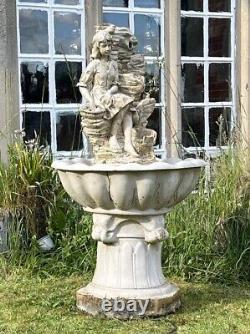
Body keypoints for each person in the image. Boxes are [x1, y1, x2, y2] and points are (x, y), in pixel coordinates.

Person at [77, 28, 138, 156]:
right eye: (104, 45)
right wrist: (91, 101)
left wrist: (110, 92)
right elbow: (82, 85)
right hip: (98, 95)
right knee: (125, 103)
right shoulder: (94, 64)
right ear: (97, 47)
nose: (108, 48)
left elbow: (115, 85)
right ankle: (113, 136)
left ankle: (127, 143)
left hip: (109, 93)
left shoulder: (113, 64)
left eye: (109, 45)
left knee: (127, 108)